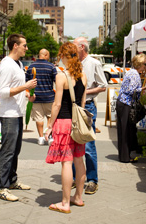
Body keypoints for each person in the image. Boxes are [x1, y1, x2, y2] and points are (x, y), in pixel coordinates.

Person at [43, 42, 88, 214]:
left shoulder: (61, 76)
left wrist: (49, 126)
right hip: (78, 122)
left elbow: (57, 104)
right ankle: (78, 197)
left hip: (63, 122)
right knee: (79, 160)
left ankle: (65, 202)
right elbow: (82, 103)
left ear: (63, 56)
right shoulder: (83, 76)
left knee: (67, 162)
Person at [0, 34, 38, 202]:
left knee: (15, 150)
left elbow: (15, 88)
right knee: (7, 151)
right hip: (9, 114)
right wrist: (25, 86)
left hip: (17, 112)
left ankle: (11, 181)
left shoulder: (18, 64)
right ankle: (1, 187)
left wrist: (27, 95)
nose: (26, 48)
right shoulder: (6, 65)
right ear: (15, 46)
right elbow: (3, 92)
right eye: (24, 45)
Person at [70, 37, 107, 195]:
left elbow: (103, 86)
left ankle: (92, 180)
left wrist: (85, 92)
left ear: (82, 47)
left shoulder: (93, 63)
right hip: (73, 106)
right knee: (72, 143)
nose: (72, 49)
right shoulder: (72, 62)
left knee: (89, 145)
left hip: (88, 106)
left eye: (74, 47)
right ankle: (75, 177)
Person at [115, 54, 146, 162]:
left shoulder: (131, 72)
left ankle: (124, 155)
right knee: (126, 130)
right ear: (139, 64)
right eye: (145, 64)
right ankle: (125, 157)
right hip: (126, 103)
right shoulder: (135, 74)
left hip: (122, 102)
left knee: (124, 130)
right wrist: (144, 88)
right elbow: (131, 90)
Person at [26, 49, 58, 146]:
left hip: (35, 97)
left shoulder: (31, 67)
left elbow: (26, 82)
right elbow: (57, 81)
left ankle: (40, 138)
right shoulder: (51, 66)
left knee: (39, 118)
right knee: (50, 116)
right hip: (49, 96)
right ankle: (49, 136)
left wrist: (28, 93)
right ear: (46, 55)